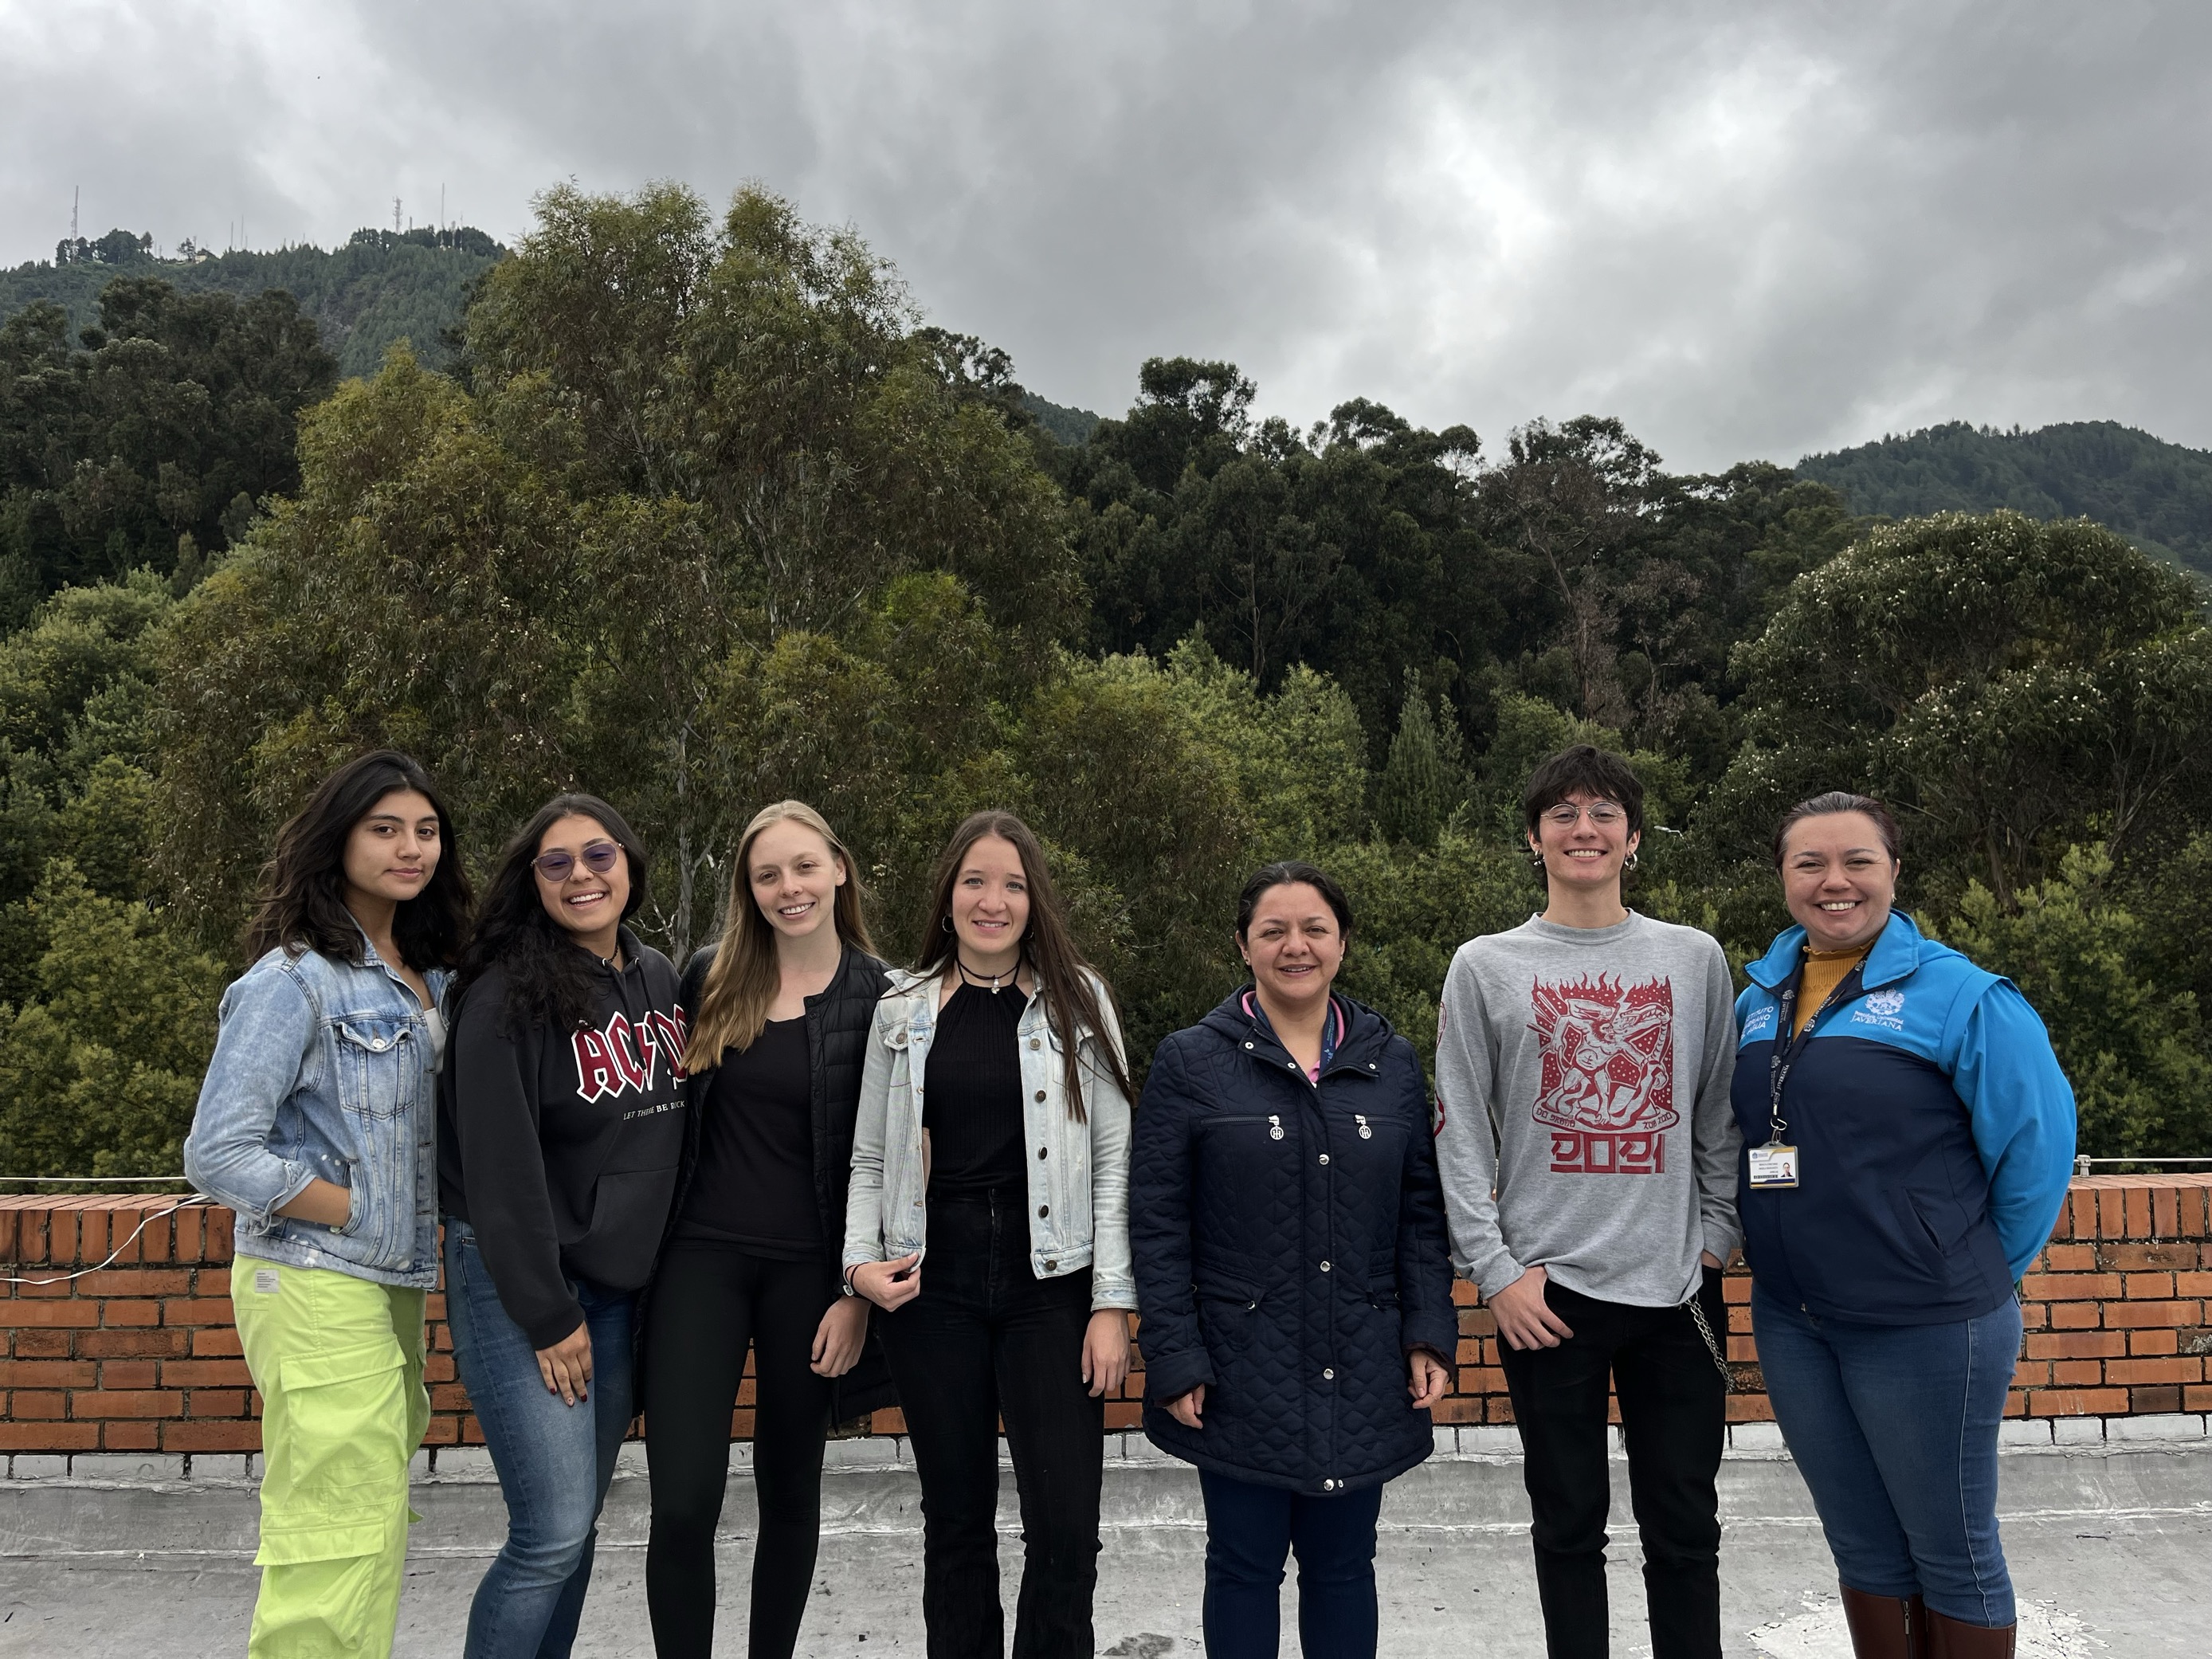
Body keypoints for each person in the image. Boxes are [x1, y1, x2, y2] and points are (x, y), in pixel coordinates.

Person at [1734, 792, 2074, 1657]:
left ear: (1893, 872)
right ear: (1783, 878)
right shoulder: (1758, 998)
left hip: (1926, 1322)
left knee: (1952, 1554)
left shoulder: (1963, 996)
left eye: (1858, 861)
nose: (1835, 881)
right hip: (1794, 1320)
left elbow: (2035, 1153)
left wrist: (1961, 1269)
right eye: (1810, 863)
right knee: (1862, 1547)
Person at [1433, 743, 1743, 1659]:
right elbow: (1458, 1129)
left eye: (1604, 812)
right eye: (1562, 813)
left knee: (1684, 1529)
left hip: (1677, 1291)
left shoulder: (1692, 958)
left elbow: (1717, 1111)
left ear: (1633, 838)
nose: (1584, 828)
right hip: (1546, 1298)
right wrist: (1495, 1274)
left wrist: (1715, 1239)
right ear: (1533, 839)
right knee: (1566, 1528)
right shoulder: (1484, 965)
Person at [183, 750, 472, 1658]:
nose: (411, 848)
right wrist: (348, 1208)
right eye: (385, 830)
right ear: (338, 840)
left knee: (372, 1516)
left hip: (388, 1278)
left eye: (426, 831)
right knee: (332, 1529)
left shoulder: (430, 973)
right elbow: (216, 1152)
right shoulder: (293, 981)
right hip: (313, 1273)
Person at [1131, 860, 1456, 1659]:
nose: (1295, 946)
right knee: (1242, 1568)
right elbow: (1158, 1222)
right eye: (1273, 930)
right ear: (1244, 945)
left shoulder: (1390, 1061)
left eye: (1314, 929)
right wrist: (1174, 1355)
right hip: (1240, 1366)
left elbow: (1420, 1214)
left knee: (1344, 1569)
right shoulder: (1190, 1061)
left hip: (1363, 1356)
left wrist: (1428, 1332)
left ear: (1342, 942)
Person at [841, 809, 1137, 1657]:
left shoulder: (1079, 1000)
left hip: (1053, 1280)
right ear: (948, 896)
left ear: (1033, 899)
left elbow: (1113, 1158)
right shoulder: (899, 1009)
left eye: (1012, 884)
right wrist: (858, 1267)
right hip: (934, 1281)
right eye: (974, 881)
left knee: (1066, 1526)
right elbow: (870, 1157)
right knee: (956, 1522)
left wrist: (1112, 1303)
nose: (992, 901)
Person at [643, 801, 897, 1657]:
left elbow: (899, 1161)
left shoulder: (883, 996)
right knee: (683, 1501)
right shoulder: (708, 977)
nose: (789, 888)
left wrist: (855, 1294)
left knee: (790, 1493)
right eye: (767, 875)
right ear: (748, 891)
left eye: (803, 867)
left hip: (812, 1278)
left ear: (839, 869)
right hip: (700, 1261)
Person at [439, 794, 688, 1659]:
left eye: (598, 855)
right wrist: (547, 1314)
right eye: (557, 863)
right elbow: (497, 1171)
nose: (581, 875)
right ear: (533, 880)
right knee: (547, 1535)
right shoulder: (502, 996)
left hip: (616, 1291)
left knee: (576, 1530)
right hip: (526, 1288)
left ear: (629, 864)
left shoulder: (659, 977)